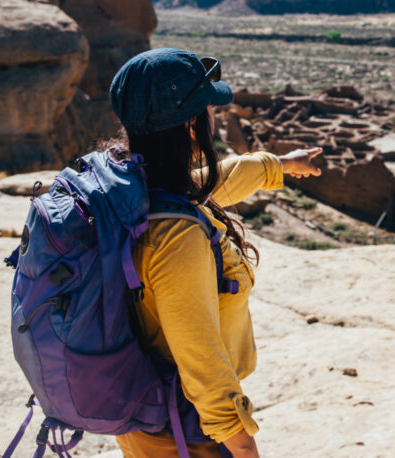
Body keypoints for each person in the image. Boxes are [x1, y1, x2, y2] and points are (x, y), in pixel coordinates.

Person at [107, 48, 322, 458]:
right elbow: (197, 350)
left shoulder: (134, 187)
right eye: (207, 108)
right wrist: (240, 443)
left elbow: (207, 186)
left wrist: (280, 165)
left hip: (146, 410)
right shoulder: (176, 238)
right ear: (190, 123)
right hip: (183, 425)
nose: (213, 117)